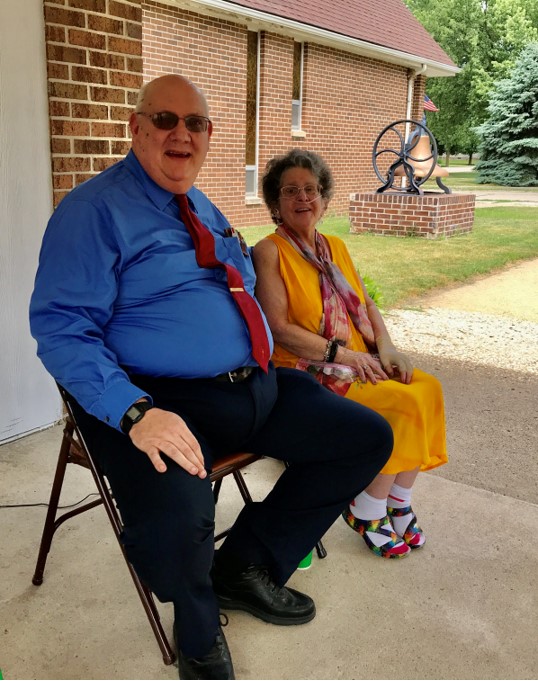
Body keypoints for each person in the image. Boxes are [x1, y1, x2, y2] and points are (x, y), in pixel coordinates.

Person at [29, 76, 394, 680]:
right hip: (158, 400)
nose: (181, 134)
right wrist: (135, 413)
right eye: (165, 120)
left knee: (363, 438)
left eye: (194, 123)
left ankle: (244, 567)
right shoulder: (93, 211)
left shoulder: (202, 205)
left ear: (208, 135)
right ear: (136, 128)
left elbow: (238, 288)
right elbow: (62, 329)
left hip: (254, 385)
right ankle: (197, 628)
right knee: (179, 513)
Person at [253, 149, 448, 561]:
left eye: (311, 189)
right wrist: (344, 356)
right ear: (275, 202)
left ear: (323, 199)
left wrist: (386, 347)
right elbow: (278, 328)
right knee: (402, 402)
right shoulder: (269, 251)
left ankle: (398, 501)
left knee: (426, 388)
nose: (302, 198)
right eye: (290, 191)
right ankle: (367, 507)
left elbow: (367, 303)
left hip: (357, 359)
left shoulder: (335, 247)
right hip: (307, 370)